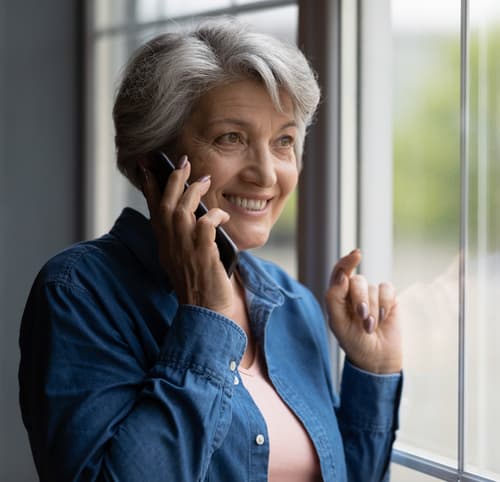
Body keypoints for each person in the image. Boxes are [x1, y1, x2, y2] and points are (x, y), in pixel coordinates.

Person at [18, 18, 402, 482]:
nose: (266, 174)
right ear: (153, 166)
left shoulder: (293, 303)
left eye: (284, 142)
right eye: (231, 139)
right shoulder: (79, 292)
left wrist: (372, 371)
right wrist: (205, 319)